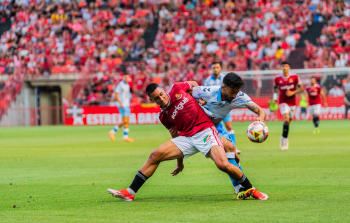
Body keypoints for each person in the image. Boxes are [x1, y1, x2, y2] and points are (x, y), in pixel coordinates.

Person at [107, 81, 267, 201]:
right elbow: (175, 137)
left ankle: (250, 189)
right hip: (187, 138)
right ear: (152, 100)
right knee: (155, 155)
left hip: (205, 130)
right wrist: (180, 162)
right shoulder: (164, 116)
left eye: (161, 94)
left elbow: (194, 85)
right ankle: (130, 193)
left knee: (223, 164)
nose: (162, 98)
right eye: (157, 98)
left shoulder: (177, 88)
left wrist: (201, 99)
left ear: (164, 89)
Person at [191, 73, 267, 195]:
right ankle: (241, 188)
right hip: (203, 126)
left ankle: (239, 184)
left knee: (235, 157)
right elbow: (186, 92)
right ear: (223, 87)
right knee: (230, 148)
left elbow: (260, 110)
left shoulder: (239, 97)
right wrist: (197, 101)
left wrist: (261, 119)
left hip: (218, 125)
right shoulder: (208, 91)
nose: (234, 95)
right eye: (232, 91)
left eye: (236, 92)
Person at [204, 62, 238, 153]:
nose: (215, 69)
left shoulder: (225, 79)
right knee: (215, 128)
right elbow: (206, 95)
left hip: (225, 106)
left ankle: (234, 148)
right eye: (214, 67)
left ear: (220, 68)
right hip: (213, 109)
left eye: (217, 67)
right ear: (212, 69)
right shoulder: (208, 81)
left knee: (229, 126)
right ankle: (219, 148)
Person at [273, 61, 304, 150]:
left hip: (292, 103)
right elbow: (274, 88)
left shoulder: (294, 76)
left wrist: (293, 92)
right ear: (281, 68)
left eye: (286, 66)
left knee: (288, 121)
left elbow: (301, 88)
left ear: (289, 68)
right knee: (286, 119)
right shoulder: (277, 78)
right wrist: (275, 97)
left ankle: (283, 137)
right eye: (283, 66)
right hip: (282, 101)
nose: (285, 67)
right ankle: (286, 140)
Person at [109, 75, 134, 142]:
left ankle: (125, 137)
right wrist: (120, 102)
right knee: (125, 121)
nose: (127, 79)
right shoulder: (121, 84)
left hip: (126, 104)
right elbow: (116, 94)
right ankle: (112, 131)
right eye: (126, 77)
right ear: (124, 78)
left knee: (127, 121)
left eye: (128, 78)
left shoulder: (127, 85)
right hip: (123, 104)